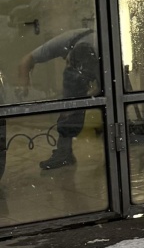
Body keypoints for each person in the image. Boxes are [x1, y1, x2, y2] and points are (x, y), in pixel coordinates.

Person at [18, 25, 100, 170]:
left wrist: (94, 92)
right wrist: (25, 86)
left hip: (101, 64)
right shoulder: (64, 42)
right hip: (83, 63)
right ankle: (64, 152)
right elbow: (26, 60)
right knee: (72, 87)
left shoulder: (104, 48)